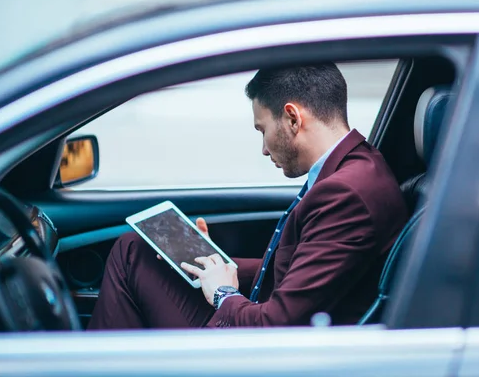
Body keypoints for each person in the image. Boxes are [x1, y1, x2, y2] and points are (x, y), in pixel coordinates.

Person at [87, 63, 407, 329]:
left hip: (264, 352)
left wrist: (223, 292)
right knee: (136, 248)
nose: (265, 149)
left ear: (293, 118)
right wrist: (212, 263)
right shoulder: (357, 166)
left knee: (129, 254)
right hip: (270, 327)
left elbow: (277, 325)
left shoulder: (345, 194)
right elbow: (302, 271)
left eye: (262, 130)